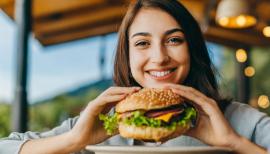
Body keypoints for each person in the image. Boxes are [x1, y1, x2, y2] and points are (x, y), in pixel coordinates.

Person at [1, 0, 269, 153]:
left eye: (174, 40)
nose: (159, 57)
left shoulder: (239, 120)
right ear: (127, 58)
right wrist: (74, 140)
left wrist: (235, 143)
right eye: (142, 43)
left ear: (193, 48)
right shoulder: (104, 122)